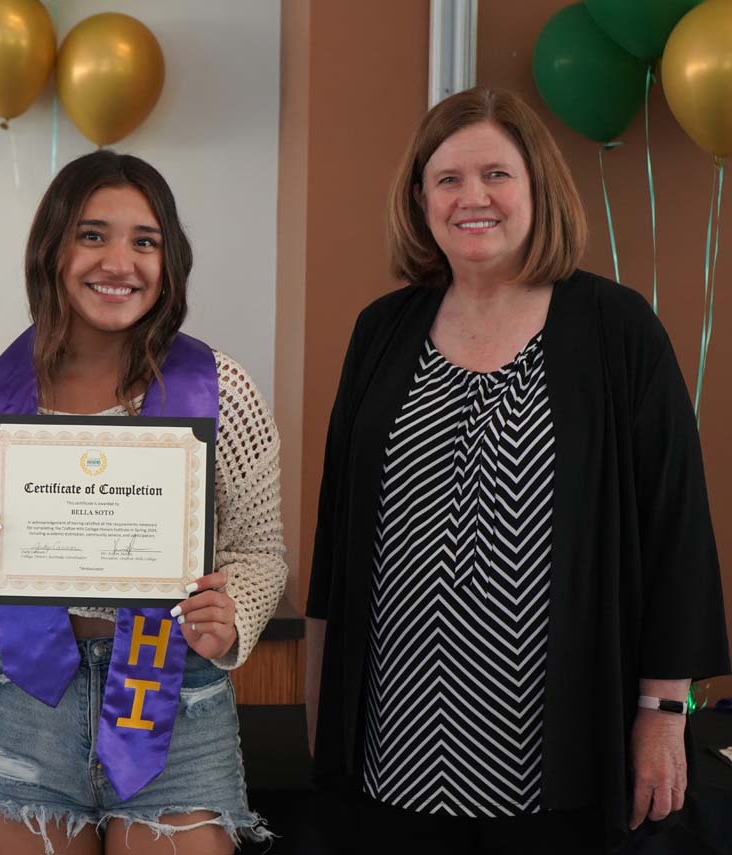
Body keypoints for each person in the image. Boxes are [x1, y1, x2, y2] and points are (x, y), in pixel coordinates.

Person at [305, 87, 729, 853]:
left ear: (538, 188)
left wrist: (664, 715)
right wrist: (320, 711)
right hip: (392, 749)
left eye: (497, 175)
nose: (474, 198)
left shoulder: (616, 328)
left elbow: (676, 529)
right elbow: (338, 536)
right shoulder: (382, 331)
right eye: (448, 179)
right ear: (420, 199)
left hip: (554, 759)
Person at [0, 150, 285, 854]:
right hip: (30, 703)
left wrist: (232, 612)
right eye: (92, 234)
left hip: (173, 697)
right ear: (52, 249)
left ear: (168, 261)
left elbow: (258, 549)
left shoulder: (224, 391)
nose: (119, 260)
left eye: (144, 241)